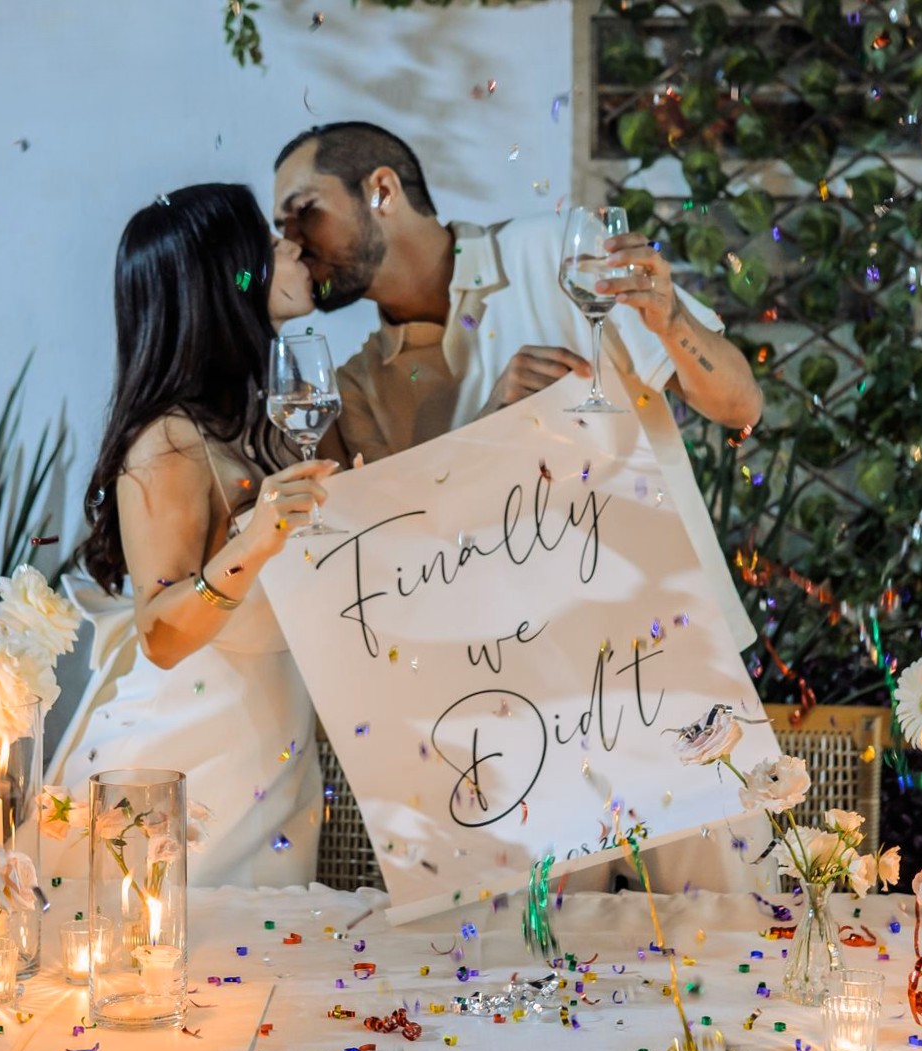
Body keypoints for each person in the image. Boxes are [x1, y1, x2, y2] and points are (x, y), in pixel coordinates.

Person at [272, 120, 763, 654]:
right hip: (512, 685)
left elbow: (742, 407)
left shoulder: (558, 254)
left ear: (382, 191)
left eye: (304, 213)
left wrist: (674, 325)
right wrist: (490, 428)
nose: (291, 244)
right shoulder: (358, 388)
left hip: (668, 643)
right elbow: (397, 551)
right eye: (281, 228)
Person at [46, 183, 336, 887]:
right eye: (268, 245)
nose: (291, 247)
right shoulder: (168, 443)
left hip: (270, 757)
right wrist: (255, 540)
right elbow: (161, 635)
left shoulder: (257, 422)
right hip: (183, 769)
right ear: (221, 280)